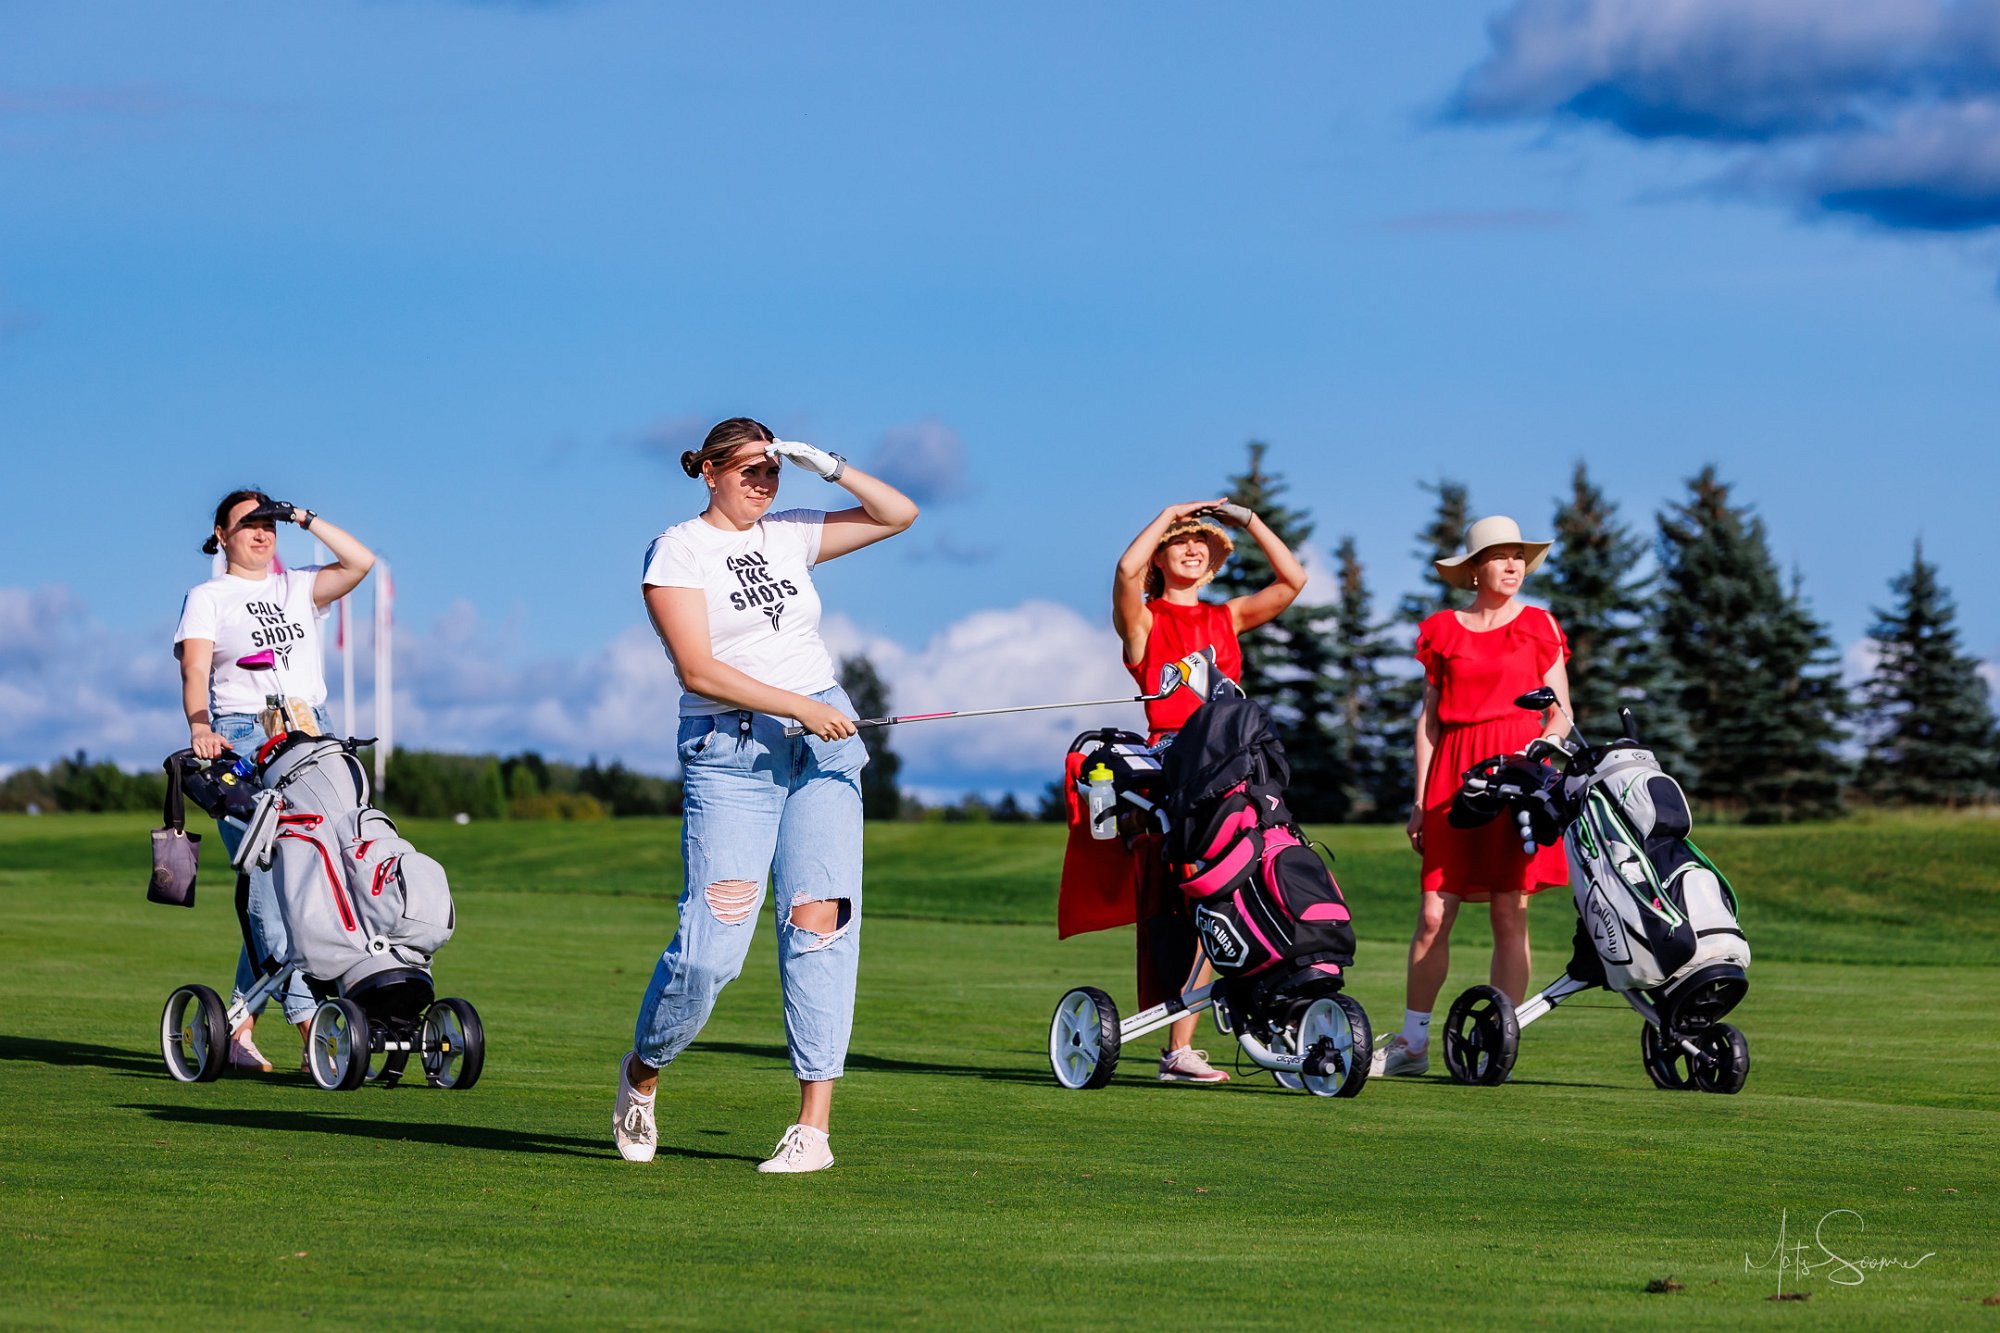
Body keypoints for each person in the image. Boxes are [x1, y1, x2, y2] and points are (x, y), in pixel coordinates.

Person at [615, 417, 918, 1173]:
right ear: (710, 471)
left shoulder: (788, 533)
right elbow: (697, 670)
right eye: (750, 469)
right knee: (712, 947)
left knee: (821, 926)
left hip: (823, 744)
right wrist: (795, 705)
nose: (763, 482)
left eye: (773, 470)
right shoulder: (678, 548)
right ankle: (642, 1076)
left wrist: (830, 464)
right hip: (734, 749)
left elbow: (899, 514)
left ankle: (813, 1128)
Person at [174, 489, 375, 1073]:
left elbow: (361, 562)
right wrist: (200, 726)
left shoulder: (296, 586)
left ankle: (237, 1021)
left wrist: (305, 517)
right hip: (238, 736)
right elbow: (194, 666)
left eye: (270, 525)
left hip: (311, 732)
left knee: (313, 874)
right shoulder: (208, 596)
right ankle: (306, 1013)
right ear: (220, 535)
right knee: (267, 872)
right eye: (249, 525)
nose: (262, 534)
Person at [1111, 499, 1308, 1084]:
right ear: (1162, 558)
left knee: (1257, 887)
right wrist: (1168, 513)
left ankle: (1262, 1014)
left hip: (1239, 763)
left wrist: (1247, 521)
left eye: (1202, 544)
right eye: (1180, 543)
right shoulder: (1144, 618)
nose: (1193, 549)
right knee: (1206, 897)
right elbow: (1125, 571)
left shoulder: (1229, 617)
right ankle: (1179, 1050)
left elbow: (1293, 580)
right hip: (1178, 764)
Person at [1374, 515, 1572, 1078]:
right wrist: (1419, 798)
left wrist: (1541, 753)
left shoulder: (1540, 625)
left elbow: (1561, 712)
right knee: (1434, 913)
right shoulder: (1441, 630)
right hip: (1453, 777)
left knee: (1511, 911)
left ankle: (1496, 1042)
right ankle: (1412, 1044)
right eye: (1499, 555)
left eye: (1518, 556)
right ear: (1475, 568)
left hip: (1517, 772)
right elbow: (1429, 723)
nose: (1512, 565)